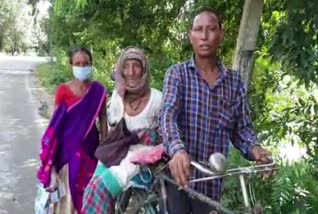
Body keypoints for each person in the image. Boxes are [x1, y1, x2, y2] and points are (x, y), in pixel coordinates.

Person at [160, 8, 273, 213]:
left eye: (211, 29)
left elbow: (241, 128)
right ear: (190, 36)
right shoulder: (177, 74)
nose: (204, 36)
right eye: (198, 30)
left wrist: (256, 149)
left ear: (221, 35)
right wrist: (177, 150)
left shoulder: (234, 82)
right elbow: (168, 115)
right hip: (178, 176)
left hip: (212, 181)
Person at [82, 47, 163, 213]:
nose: (131, 72)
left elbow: (166, 133)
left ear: (144, 70)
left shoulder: (157, 98)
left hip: (143, 159)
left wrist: (149, 137)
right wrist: (119, 91)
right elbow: (113, 125)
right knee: (90, 188)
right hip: (118, 153)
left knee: (100, 189)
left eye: (137, 66)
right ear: (120, 71)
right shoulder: (118, 97)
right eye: (126, 67)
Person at [37, 47, 107, 213]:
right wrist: (52, 158)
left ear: (91, 65)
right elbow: (56, 123)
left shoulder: (99, 91)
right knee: (67, 199)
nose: (82, 67)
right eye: (77, 64)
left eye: (85, 63)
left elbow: (103, 119)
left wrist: (105, 147)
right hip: (66, 152)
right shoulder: (63, 90)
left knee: (88, 196)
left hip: (91, 151)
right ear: (71, 65)